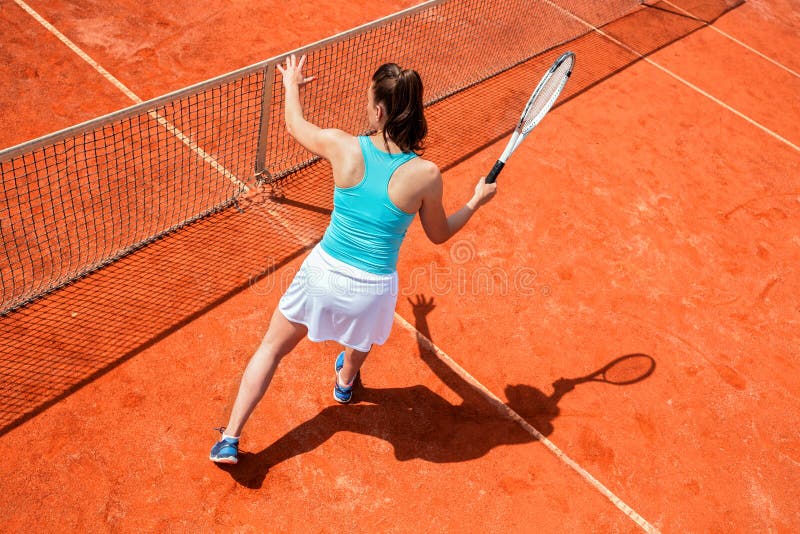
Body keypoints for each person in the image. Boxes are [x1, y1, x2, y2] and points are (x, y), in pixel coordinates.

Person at [210, 54, 496, 464]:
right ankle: (345, 382)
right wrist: (476, 200)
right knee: (362, 337)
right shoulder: (426, 175)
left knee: (270, 349)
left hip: (322, 275)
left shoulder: (342, 145)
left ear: (379, 111)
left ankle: (230, 439)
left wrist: (291, 85)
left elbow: (295, 125)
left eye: (368, 101)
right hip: (371, 291)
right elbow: (439, 234)